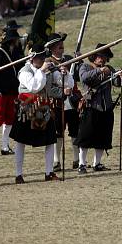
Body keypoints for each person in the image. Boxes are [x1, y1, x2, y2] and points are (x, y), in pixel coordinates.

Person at [9, 45, 63, 183]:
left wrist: (64, 73)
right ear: (32, 58)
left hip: (44, 108)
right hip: (26, 110)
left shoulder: (48, 70)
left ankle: (49, 172)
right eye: (38, 57)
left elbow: (63, 83)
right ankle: (18, 174)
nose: (41, 59)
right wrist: (43, 71)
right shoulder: (24, 72)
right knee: (21, 141)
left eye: (42, 57)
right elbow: (34, 87)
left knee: (50, 140)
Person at [74, 44, 122, 174]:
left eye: (104, 57)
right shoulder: (85, 67)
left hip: (106, 108)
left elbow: (117, 83)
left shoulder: (109, 69)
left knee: (103, 138)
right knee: (85, 137)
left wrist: (120, 77)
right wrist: (100, 71)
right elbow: (84, 78)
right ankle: (81, 164)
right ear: (94, 57)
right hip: (90, 107)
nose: (102, 59)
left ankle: (97, 163)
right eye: (99, 56)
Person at [0, 22, 25, 157]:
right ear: (12, 40)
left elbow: (21, 67)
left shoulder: (17, 52)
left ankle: (4, 146)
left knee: (9, 119)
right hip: (0, 92)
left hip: (12, 91)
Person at [45, 33, 79, 172]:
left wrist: (78, 60)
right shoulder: (48, 62)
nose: (61, 47)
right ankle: (56, 161)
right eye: (58, 45)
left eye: (61, 45)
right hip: (57, 102)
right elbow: (48, 84)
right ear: (52, 48)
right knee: (58, 133)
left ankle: (77, 159)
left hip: (71, 101)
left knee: (75, 131)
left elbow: (76, 76)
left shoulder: (69, 59)